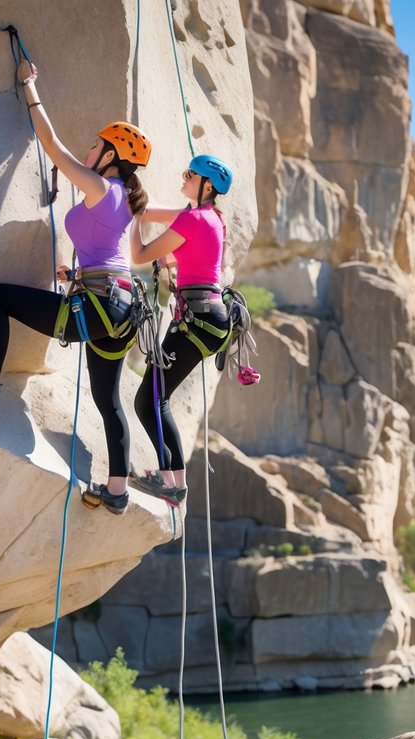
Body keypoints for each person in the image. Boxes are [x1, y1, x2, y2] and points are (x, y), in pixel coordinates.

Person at [0, 58, 151, 515]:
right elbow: (114, 254)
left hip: (102, 305)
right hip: (120, 309)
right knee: (107, 400)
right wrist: (77, 275)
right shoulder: (122, 200)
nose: (90, 147)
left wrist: (29, 86)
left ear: (112, 157)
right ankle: (116, 492)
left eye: (98, 144)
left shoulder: (103, 187)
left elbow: (53, 148)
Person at [126, 154, 235, 506]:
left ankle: (172, 483)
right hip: (208, 320)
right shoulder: (213, 218)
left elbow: (141, 252)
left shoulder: (193, 218)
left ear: (207, 185)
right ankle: (172, 482)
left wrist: (129, 220)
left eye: (189, 174)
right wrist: (135, 203)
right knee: (156, 398)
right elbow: (166, 225)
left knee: (148, 400)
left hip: (197, 321)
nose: (183, 176)